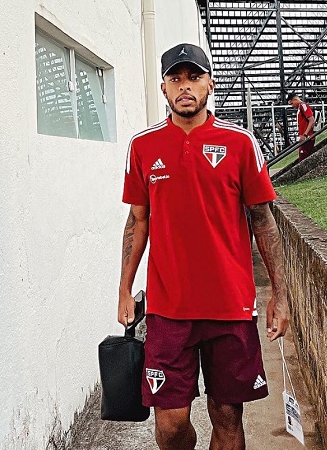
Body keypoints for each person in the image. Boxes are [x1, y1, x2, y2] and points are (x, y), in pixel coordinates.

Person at [118, 43, 289, 450]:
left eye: (193, 77)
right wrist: (124, 289)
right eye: (175, 78)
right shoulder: (143, 147)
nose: (184, 86)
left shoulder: (241, 143)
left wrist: (281, 295)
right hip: (167, 309)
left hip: (229, 306)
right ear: (163, 88)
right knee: (171, 426)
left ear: (209, 83)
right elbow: (137, 221)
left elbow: (263, 220)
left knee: (228, 419)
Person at [287, 93, 316, 162]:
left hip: (307, 138)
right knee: (303, 158)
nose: (292, 106)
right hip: (305, 138)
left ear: (295, 99)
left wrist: (305, 134)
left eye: (292, 103)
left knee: (303, 159)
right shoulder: (301, 107)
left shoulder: (303, 106)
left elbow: (312, 121)